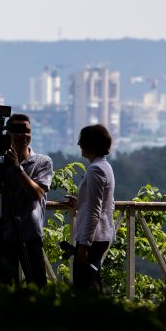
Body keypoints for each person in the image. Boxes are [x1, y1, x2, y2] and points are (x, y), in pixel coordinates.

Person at [0, 113, 53, 286]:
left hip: (30, 234)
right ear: (8, 134)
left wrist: (17, 168)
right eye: (17, 130)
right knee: (5, 287)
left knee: (37, 286)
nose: (23, 135)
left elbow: (37, 194)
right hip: (4, 235)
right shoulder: (1, 162)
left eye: (27, 131)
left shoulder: (42, 162)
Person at [68, 124, 115, 292]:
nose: (79, 144)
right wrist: (80, 202)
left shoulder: (95, 169)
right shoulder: (105, 166)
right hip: (101, 235)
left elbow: (95, 210)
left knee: (85, 285)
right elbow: (105, 201)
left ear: (90, 144)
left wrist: (83, 247)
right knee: (92, 281)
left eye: (81, 140)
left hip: (93, 238)